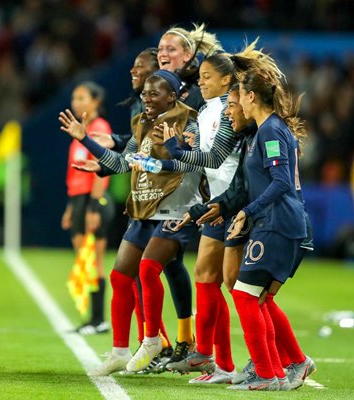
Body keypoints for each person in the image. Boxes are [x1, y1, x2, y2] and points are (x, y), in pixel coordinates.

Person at [59, 70, 201, 375]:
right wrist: (88, 143)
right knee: (121, 276)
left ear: (172, 96)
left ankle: (153, 339)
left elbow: (195, 161)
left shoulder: (190, 120)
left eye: (154, 93)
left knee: (149, 269)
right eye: (145, 94)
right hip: (143, 208)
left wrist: (177, 149)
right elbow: (123, 162)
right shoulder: (141, 123)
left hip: (176, 209)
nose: (147, 99)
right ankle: (121, 351)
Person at [150, 53, 245, 382]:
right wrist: (169, 156)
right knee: (206, 277)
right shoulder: (207, 111)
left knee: (239, 286)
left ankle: (278, 360)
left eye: (206, 76)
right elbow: (201, 162)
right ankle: (216, 360)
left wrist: (178, 151)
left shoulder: (228, 110)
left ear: (225, 80)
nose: (200, 82)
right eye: (200, 76)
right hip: (216, 203)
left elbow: (219, 159)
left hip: (233, 203)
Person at [223, 52, 314, 391]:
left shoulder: (271, 131)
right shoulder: (266, 130)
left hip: (277, 222)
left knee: (246, 296)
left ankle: (268, 372)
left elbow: (281, 183)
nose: (237, 103)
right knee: (256, 297)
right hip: (275, 222)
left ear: (250, 97)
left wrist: (247, 211)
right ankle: (280, 367)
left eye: (240, 96)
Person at [61, 81, 115, 335]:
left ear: (95, 102)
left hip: (92, 200)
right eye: (74, 97)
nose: (77, 102)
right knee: (84, 261)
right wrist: (72, 208)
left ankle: (98, 320)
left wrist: (94, 205)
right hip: (78, 199)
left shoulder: (99, 128)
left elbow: (102, 171)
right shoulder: (80, 130)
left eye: (82, 98)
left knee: (94, 261)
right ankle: (90, 319)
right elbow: (76, 173)